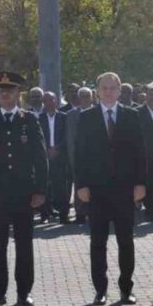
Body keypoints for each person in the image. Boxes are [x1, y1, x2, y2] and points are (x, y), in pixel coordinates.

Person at [0, 71, 48, 306]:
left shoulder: (29, 120)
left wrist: (40, 190)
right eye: (2, 91)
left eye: (10, 91)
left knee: (24, 244)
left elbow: (40, 157)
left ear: (18, 94)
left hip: (24, 193)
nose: (5, 94)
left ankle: (24, 293)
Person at [74, 72, 145, 306]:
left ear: (120, 90)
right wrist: (81, 185)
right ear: (97, 91)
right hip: (97, 190)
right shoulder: (86, 117)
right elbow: (79, 154)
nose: (108, 92)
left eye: (113, 88)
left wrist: (141, 183)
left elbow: (140, 153)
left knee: (126, 241)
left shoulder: (132, 116)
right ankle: (100, 290)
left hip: (125, 189)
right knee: (98, 242)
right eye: (104, 88)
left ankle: (126, 289)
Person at [38, 91, 70, 224]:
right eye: (45, 101)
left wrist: (57, 148)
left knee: (62, 187)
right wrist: (46, 150)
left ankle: (63, 215)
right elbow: (38, 137)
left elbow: (67, 135)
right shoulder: (39, 118)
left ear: (56, 101)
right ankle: (45, 215)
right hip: (44, 156)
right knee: (45, 186)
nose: (48, 103)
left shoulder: (64, 117)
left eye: (51, 100)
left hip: (60, 155)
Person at [66, 87, 94, 224]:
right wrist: (72, 160)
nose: (85, 99)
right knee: (79, 185)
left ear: (92, 97)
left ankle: (94, 212)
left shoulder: (98, 112)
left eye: (87, 96)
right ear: (78, 98)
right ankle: (80, 214)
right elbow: (70, 139)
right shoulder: (71, 115)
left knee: (96, 186)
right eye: (82, 96)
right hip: (79, 156)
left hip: (95, 157)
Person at [137, 84, 153, 221]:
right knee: (150, 184)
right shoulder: (137, 112)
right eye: (151, 94)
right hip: (146, 155)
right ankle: (150, 209)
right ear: (146, 95)